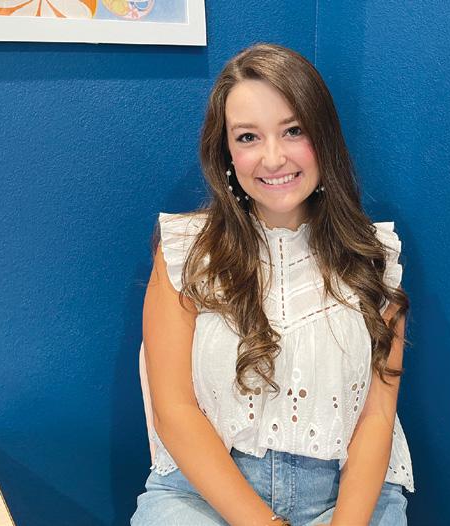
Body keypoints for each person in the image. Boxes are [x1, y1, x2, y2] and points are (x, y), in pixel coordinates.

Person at [131, 42, 414, 526]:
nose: (273, 157)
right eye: (248, 137)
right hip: (203, 496)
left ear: (323, 137)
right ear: (226, 151)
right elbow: (174, 409)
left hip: (347, 498)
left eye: (293, 130)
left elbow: (377, 416)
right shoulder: (184, 249)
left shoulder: (374, 257)